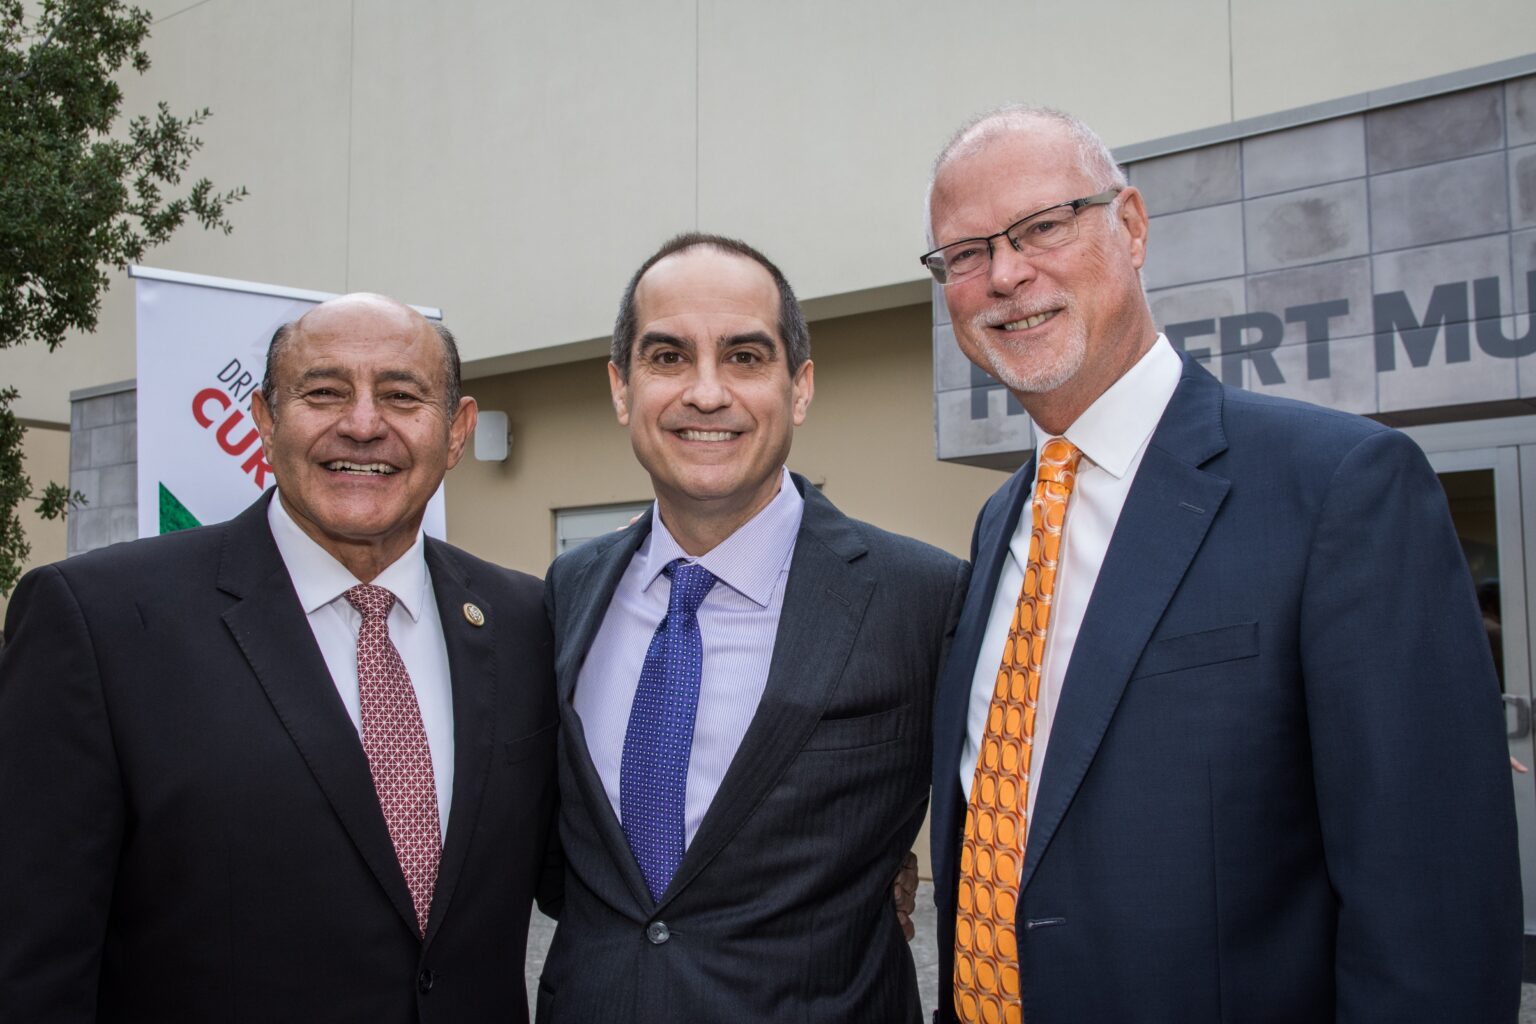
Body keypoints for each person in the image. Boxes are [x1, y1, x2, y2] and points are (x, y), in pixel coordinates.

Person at [923, 107, 1521, 1023]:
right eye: (965, 254)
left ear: (1129, 225)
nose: (1006, 274)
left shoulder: (1339, 489)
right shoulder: (998, 523)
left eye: (1042, 226)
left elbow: (1433, 914)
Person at [0, 294, 558, 1022]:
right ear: (264, 420)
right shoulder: (99, 622)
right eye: (323, 392)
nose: (362, 424)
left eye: (401, 396)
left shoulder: (524, 620)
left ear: (455, 431)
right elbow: (34, 962)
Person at [536, 233, 967, 1022]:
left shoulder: (924, 597)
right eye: (667, 357)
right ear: (620, 388)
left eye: (744, 356)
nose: (706, 393)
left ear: (799, 388)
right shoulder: (568, 589)